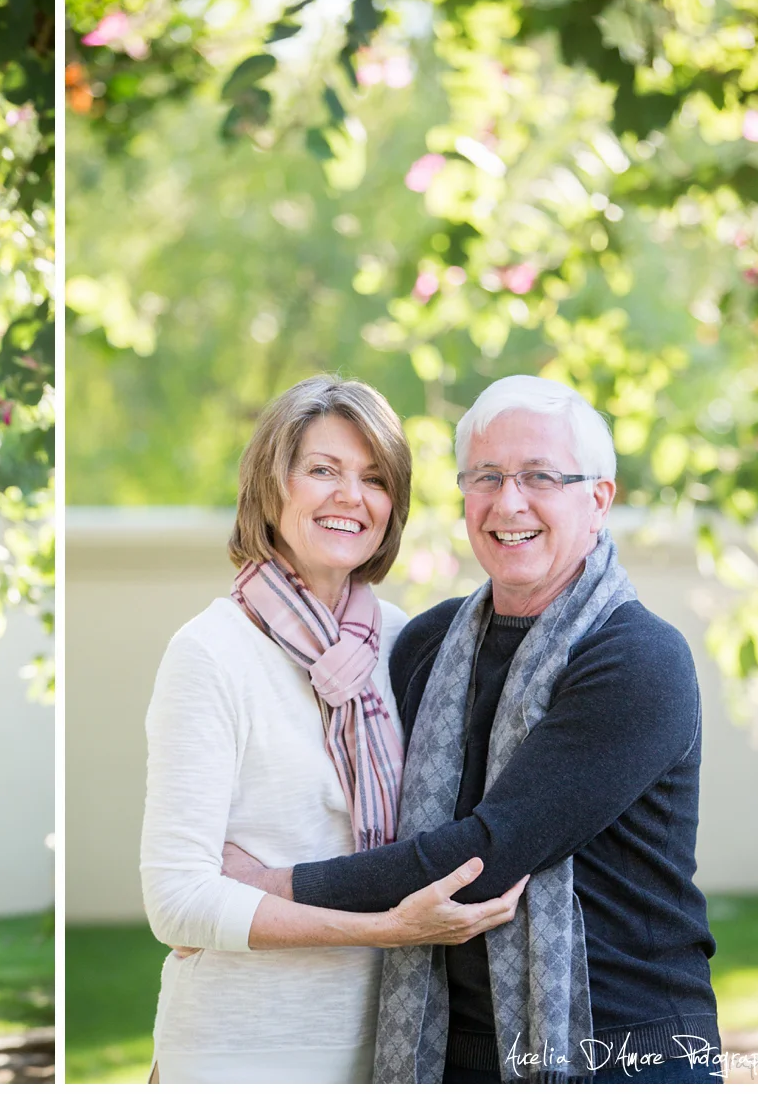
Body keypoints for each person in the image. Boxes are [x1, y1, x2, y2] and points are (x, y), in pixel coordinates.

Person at [225, 375, 720, 1084]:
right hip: (448, 1051)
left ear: (598, 500)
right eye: (486, 476)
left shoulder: (638, 658)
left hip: (627, 1048)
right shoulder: (425, 644)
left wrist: (267, 889)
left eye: (541, 476)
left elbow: (490, 851)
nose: (508, 501)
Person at [140, 376, 528, 1084]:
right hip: (243, 1050)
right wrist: (384, 929)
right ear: (271, 485)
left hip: (394, 1043)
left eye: (375, 478)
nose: (352, 496)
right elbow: (178, 901)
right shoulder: (212, 652)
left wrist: (269, 887)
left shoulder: (408, 645)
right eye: (323, 470)